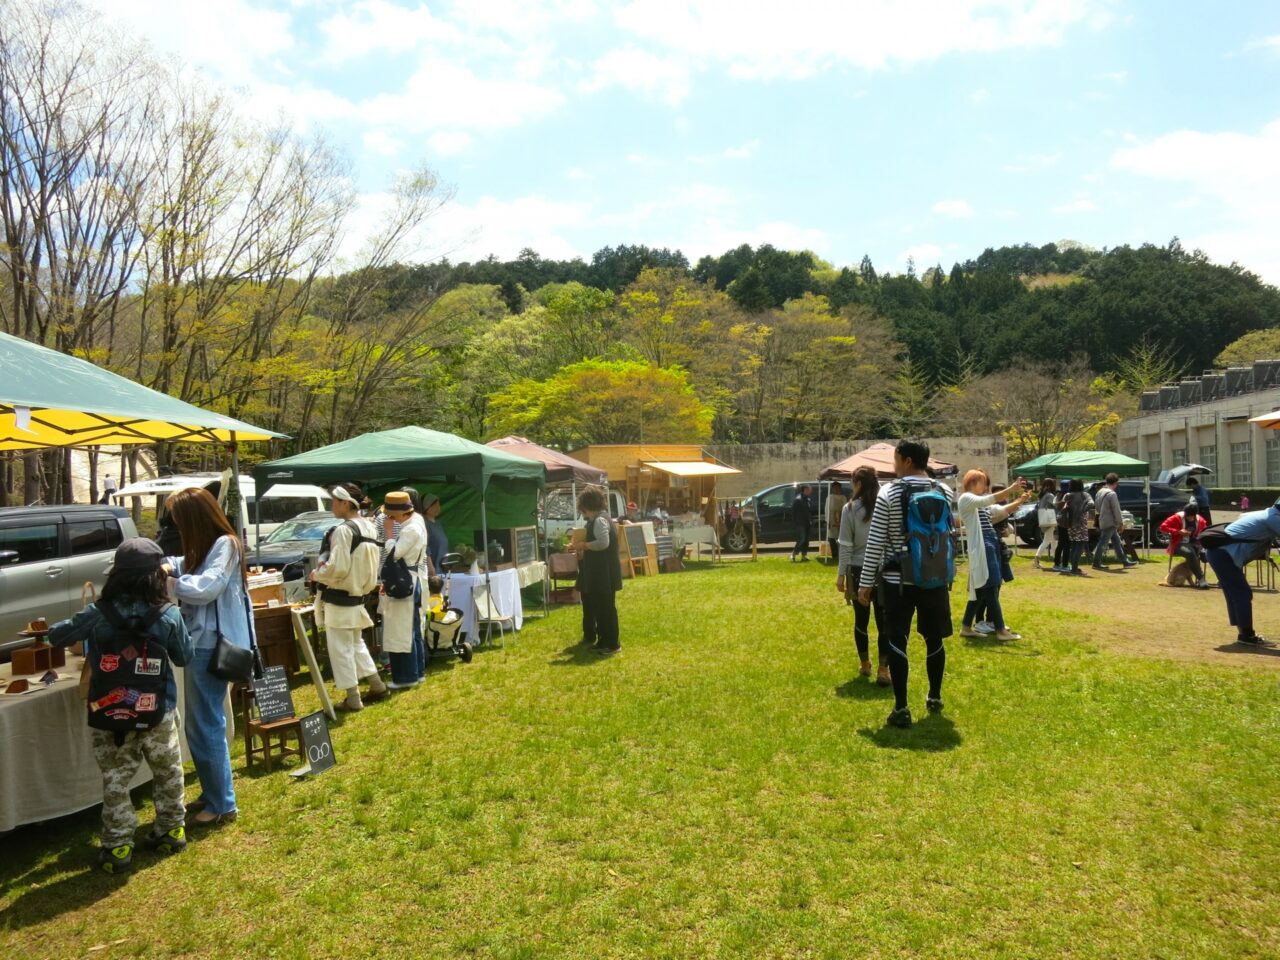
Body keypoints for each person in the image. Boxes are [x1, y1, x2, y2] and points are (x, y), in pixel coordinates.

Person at [49, 538, 193, 873]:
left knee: (115, 777)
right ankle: (171, 830)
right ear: (156, 576)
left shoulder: (98, 613)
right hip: (157, 709)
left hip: (109, 713)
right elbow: (184, 656)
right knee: (168, 770)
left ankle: (117, 848)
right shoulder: (168, 614)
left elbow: (58, 637)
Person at [160, 487, 254, 828]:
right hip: (203, 643)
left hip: (212, 646)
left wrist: (169, 579)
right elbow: (184, 565)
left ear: (193, 519)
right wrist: (166, 564)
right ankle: (214, 792)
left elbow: (206, 588)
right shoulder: (210, 546)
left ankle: (222, 803)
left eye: (179, 520)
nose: (176, 527)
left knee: (205, 725)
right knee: (200, 724)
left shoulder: (225, 544)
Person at [857, 439, 956, 728]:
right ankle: (935, 696)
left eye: (896, 458)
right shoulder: (944, 491)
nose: (894, 463)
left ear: (908, 461)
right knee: (934, 638)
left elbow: (875, 542)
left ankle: (901, 707)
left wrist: (865, 583)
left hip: (897, 579)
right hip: (935, 578)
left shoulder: (890, 492)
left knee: (897, 638)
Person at [311, 483, 390, 710]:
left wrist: (318, 574)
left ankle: (353, 699)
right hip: (357, 596)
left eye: (334, 501)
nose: (332, 506)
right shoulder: (369, 527)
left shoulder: (345, 530)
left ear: (345, 503)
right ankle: (377, 686)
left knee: (340, 648)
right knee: (355, 644)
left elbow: (337, 567)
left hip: (341, 596)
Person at [957, 470, 1030, 642]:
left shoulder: (977, 502)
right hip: (983, 546)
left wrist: (1020, 501)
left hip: (989, 544)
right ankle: (1000, 630)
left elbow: (1000, 510)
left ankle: (966, 627)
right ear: (974, 482)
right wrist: (1012, 488)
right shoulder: (967, 498)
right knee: (991, 586)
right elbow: (990, 500)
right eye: (983, 482)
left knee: (983, 589)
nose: (986, 487)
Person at [1203, 497, 1280, 647]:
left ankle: (1244, 633)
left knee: (1235, 594)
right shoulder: (1273, 518)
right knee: (1242, 593)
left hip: (1218, 554)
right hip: (1223, 555)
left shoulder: (1266, 513)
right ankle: (1247, 635)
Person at [837, 467, 889, 685]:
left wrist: (841, 575)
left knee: (861, 620)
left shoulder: (849, 509)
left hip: (859, 570)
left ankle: (865, 663)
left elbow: (846, 546)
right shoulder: (885, 506)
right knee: (884, 621)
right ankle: (884, 668)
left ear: (857, 483)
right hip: (884, 570)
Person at [379, 490, 426, 689]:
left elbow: (394, 554)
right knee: (413, 630)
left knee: (401, 631)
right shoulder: (417, 521)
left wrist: (389, 532)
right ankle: (418, 672)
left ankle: (406, 677)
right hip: (413, 580)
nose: (390, 518)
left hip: (405, 580)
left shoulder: (410, 529)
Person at [574, 486, 622, 655]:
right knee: (600, 609)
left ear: (587, 505)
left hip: (604, 573)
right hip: (601, 572)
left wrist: (584, 545)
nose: (583, 512)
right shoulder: (599, 519)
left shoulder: (600, 520)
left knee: (606, 609)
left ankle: (612, 644)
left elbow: (603, 543)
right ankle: (603, 641)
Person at [1092, 473, 1137, 570]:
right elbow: (1116, 510)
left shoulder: (1099, 492)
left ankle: (1125, 561)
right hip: (1110, 521)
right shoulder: (1112, 494)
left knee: (1116, 541)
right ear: (1116, 483)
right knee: (1103, 542)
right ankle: (1096, 562)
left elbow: (1097, 507)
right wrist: (1120, 523)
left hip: (1102, 519)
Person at [1160, 503, 1209, 588]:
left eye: (1190, 516)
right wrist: (1178, 531)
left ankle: (1221, 580)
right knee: (1190, 553)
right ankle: (1201, 579)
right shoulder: (1177, 517)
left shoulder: (1200, 520)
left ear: (1195, 515)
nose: (1188, 517)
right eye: (1187, 515)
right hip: (1178, 544)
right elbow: (1163, 527)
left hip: (1195, 544)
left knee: (1207, 553)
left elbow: (1205, 532)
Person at [1061, 479, 1095, 577]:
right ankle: (1074, 569)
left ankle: (1073, 567)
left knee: (1074, 545)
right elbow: (1091, 503)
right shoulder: (1084, 495)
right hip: (1081, 524)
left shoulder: (1067, 495)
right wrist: (1083, 510)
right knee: (1079, 545)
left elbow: (1062, 506)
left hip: (1070, 523)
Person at [1032, 478, 1059, 570]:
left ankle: (1056, 559)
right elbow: (1056, 505)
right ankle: (1036, 560)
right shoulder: (1050, 495)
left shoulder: (1042, 495)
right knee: (1047, 541)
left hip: (1044, 519)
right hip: (1050, 520)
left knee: (1053, 540)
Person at [421, 493, 449, 577]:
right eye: (434, 506)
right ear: (426, 507)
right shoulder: (424, 524)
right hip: (433, 571)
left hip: (443, 569)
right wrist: (430, 568)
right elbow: (425, 547)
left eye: (438, 505)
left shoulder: (438, 524)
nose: (438, 508)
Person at [1052, 478, 1072, 572]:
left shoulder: (1057, 496)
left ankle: (1056, 564)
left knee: (1060, 543)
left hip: (1059, 521)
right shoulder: (1067, 498)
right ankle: (1065, 565)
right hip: (1065, 522)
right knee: (1067, 544)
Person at [826, 483, 847, 565]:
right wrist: (828, 521)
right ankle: (834, 555)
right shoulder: (830, 497)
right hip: (832, 518)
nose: (836, 489)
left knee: (841, 538)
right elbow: (827, 509)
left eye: (838, 488)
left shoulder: (843, 497)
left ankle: (841, 555)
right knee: (831, 538)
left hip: (842, 518)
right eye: (835, 488)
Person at [791, 485, 813, 562]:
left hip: (807, 523)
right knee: (802, 539)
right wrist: (796, 523)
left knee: (806, 540)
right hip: (800, 523)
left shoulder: (808, 499)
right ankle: (793, 554)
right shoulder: (798, 499)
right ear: (805, 490)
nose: (811, 491)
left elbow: (809, 512)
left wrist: (810, 520)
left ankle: (804, 556)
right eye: (809, 489)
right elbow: (793, 512)